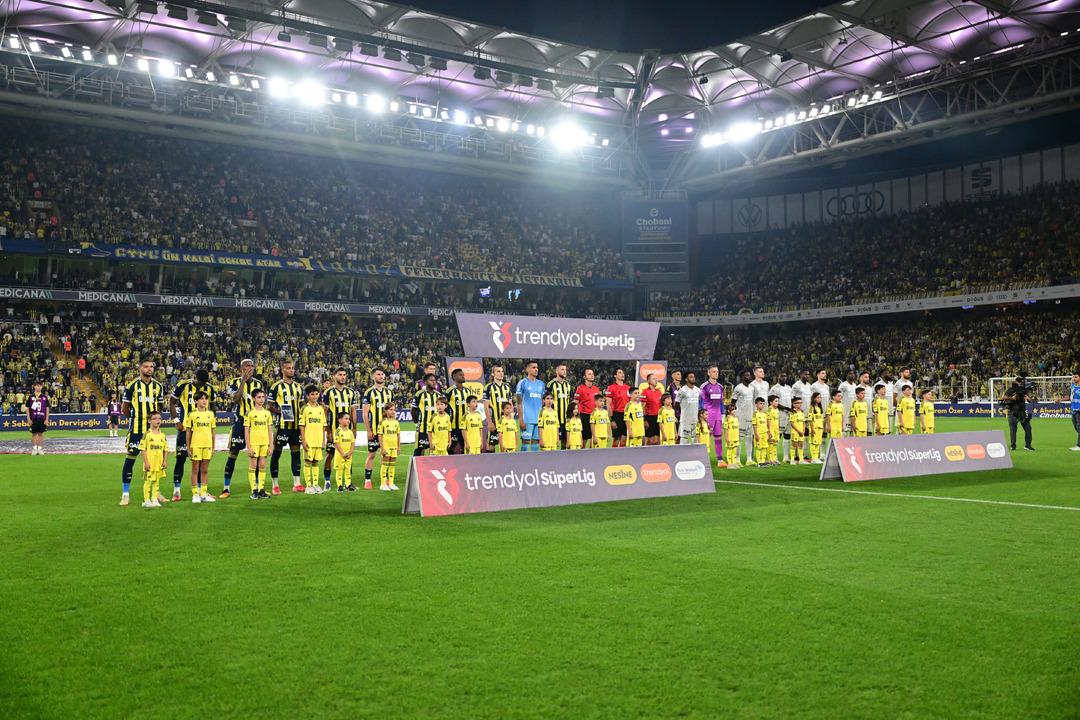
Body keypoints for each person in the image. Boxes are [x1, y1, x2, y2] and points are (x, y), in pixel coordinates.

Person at [120, 358, 165, 507]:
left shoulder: (158, 386)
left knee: (154, 461)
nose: (149, 369)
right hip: (136, 430)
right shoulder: (132, 386)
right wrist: (135, 419)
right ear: (140, 368)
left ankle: (155, 493)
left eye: (151, 366)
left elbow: (159, 407)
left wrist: (154, 422)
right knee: (131, 458)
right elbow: (125, 409)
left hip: (152, 432)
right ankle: (125, 494)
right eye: (146, 366)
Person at [222, 359, 266, 498]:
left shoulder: (258, 384)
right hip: (240, 422)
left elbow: (262, 403)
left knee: (257, 456)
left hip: (256, 424)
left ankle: (258, 488)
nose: (250, 368)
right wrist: (243, 381)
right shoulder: (233, 382)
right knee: (233, 454)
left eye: (252, 365)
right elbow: (235, 399)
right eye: (247, 366)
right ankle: (226, 488)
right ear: (241, 369)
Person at [171, 368, 215, 501]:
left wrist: (212, 420)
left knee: (201, 463)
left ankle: (201, 492)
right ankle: (176, 490)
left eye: (203, 383)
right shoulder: (183, 385)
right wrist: (176, 421)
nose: (201, 385)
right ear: (194, 377)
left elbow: (212, 406)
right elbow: (172, 402)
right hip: (185, 429)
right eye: (199, 382)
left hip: (202, 431)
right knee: (181, 459)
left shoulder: (209, 388)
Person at [269, 360, 304, 494]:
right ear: (283, 370)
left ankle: (297, 483)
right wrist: (282, 412)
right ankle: (275, 485)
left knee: (296, 454)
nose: (291, 370)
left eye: (292, 368)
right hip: (282, 426)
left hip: (296, 427)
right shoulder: (276, 386)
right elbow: (270, 405)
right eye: (288, 368)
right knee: (277, 453)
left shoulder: (298, 387)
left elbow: (302, 405)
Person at [322, 367, 358, 488]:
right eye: (340, 375)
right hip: (333, 429)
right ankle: (327, 480)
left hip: (347, 431)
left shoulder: (351, 392)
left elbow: (353, 411)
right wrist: (328, 430)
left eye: (344, 375)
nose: (343, 377)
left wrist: (354, 428)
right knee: (330, 454)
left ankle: (348, 482)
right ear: (334, 376)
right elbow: (325, 412)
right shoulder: (328, 392)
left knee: (348, 454)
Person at [361, 368, 393, 489]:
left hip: (387, 431)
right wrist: (368, 430)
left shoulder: (389, 392)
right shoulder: (369, 392)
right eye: (378, 374)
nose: (381, 376)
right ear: (373, 377)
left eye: (382, 374)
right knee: (372, 454)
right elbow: (365, 413)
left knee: (386, 455)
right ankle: (367, 480)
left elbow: (392, 411)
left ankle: (385, 479)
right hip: (374, 430)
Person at [186, 391, 216, 502]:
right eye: (202, 398)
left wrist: (213, 447)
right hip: (196, 445)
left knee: (205, 470)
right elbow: (188, 432)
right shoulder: (192, 415)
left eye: (206, 399)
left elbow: (213, 432)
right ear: (196, 401)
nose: (204, 401)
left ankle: (203, 494)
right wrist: (188, 448)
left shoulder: (211, 414)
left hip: (207, 445)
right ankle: (195, 494)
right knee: (195, 470)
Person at [244, 388, 274, 499]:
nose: (261, 399)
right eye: (259, 397)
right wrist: (249, 446)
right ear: (253, 398)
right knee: (253, 466)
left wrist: (271, 445)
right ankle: (254, 490)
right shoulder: (250, 413)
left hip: (264, 443)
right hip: (254, 443)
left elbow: (269, 430)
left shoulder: (267, 413)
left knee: (262, 465)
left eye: (263, 397)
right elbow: (246, 431)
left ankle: (261, 489)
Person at [299, 384, 328, 494]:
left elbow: (323, 426)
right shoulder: (305, 409)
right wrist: (303, 440)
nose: (315, 396)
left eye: (316, 394)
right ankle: (308, 485)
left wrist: (323, 440)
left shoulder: (321, 409)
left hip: (318, 440)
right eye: (312, 394)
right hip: (309, 440)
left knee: (316, 462)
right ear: (307, 396)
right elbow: (302, 426)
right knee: (308, 461)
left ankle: (315, 484)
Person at [139, 411, 168, 508]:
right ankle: (146, 500)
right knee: (148, 481)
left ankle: (154, 499)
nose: (158, 420)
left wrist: (164, 461)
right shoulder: (147, 434)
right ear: (149, 421)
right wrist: (146, 462)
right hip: (150, 463)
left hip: (158, 463)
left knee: (156, 481)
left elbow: (165, 449)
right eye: (154, 418)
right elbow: (142, 449)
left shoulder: (163, 435)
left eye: (159, 418)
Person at [515, 362, 546, 452]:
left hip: (538, 420)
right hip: (527, 419)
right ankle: (523, 461)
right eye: (533, 367)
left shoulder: (541, 384)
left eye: (537, 367)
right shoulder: (522, 383)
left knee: (535, 444)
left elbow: (542, 401)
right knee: (525, 444)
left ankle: (534, 461)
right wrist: (521, 419)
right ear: (527, 369)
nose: (536, 369)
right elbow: (519, 402)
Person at [484, 365, 513, 451]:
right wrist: (490, 422)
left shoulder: (507, 387)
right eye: (498, 371)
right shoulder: (488, 387)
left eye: (502, 371)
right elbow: (486, 406)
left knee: (505, 445)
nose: (501, 373)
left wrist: (511, 419)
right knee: (491, 446)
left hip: (506, 422)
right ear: (493, 374)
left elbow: (510, 404)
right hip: (495, 422)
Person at [699, 366, 725, 463]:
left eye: (717, 372)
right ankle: (703, 459)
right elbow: (701, 402)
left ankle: (720, 460)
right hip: (708, 416)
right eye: (713, 372)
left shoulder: (720, 387)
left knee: (718, 437)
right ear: (708, 373)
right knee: (705, 437)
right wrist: (702, 416)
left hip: (718, 416)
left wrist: (723, 414)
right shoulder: (704, 386)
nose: (716, 373)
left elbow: (721, 402)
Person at [412, 373, 442, 457]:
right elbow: (413, 410)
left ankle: (432, 465)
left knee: (434, 449)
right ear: (425, 382)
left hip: (435, 428)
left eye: (435, 380)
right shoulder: (419, 394)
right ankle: (415, 465)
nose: (434, 382)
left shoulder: (438, 395)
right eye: (431, 380)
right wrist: (416, 422)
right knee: (419, 450)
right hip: (423, 427)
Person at [1002, 375, 1035, 451]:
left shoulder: (1023, 390)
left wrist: (1028, 398)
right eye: (1019, 381)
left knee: (1028, 428)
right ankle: (1013, 446)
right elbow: (1003, 397)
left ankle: (1027, 445)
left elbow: (1030, 401)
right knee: (1013, 429)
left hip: (1022, 412)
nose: (1020, 383)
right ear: (1016, 381)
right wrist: (1011, 398)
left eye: (1021, 381)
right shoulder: (1011, 389)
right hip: (1012, 412)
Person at [731, 370, 755, 466]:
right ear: (742, 377)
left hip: (750, 416)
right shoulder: (738, 388)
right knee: (739, 439)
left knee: (749, 438)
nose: (749, 377)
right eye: (746, 375)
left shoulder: (752, 388)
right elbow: (733, 402)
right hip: (740, 417)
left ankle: (749, 459)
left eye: (749, 375)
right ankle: (737, 459)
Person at [445, 368, 470, 455]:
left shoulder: (467, 391)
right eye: (460, 375)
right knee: (450, 447)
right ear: (454, 377)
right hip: (453, 425)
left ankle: (464, 462)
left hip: (465, 426)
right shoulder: (449, 391)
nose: (463, 376)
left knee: (466, 446)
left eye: (463, 375)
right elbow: (444, 406)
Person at [769, 372, 793, 460]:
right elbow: (771, 401)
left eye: (785, 376)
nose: (784, 378)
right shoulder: (774, 389)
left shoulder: (789, 388)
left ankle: (786, 457)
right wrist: (786, 408)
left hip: (789, 415)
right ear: (778, 377)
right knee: (777, 436)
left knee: (787, 435)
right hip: (779, 415)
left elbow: (791, 400)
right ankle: (773, 457)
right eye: (782, 376)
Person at [548, 363, 573, 447]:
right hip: (555, 419)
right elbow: (546, 401)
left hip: (566, 419)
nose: (564, 371)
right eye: (562, 369)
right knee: (554, 442)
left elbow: (570, 401)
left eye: (565, 370)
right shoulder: (551, 384)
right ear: (557, 371)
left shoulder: (568, 385)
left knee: (566, 443)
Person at [573, 368, 600, 448]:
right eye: (589, 374)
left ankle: (592, 454)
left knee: (594, 439)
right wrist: (575, 416)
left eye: (592, 374)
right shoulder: (580, 388)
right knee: (584, 439)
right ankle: (582, 453)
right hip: (585, 416)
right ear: (584, 377)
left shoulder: (596, 389)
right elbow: (575, 402)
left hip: (595, 416)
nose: (592, 375)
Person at [605, 368, 630, 448]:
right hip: (617, 415)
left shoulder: (628, 388)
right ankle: (613, 454)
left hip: (627, 415)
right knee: (616, 439)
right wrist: (611, 420)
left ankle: (622, 455)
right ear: (615, 375)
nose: (622, 374)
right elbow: (608, 404)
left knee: (624, 439)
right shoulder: (611, 388)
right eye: (620, 372)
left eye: (623, 373)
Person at [332, 412, 356, 493]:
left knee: (348, 470)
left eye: (349, 419)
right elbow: (336, 443)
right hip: (340, 455)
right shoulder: (337, 431)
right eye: (346, 419)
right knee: (339, 470)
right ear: (340, 420)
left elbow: (353, 443)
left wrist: (350, 452)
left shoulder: (350, 432)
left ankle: (348, 485)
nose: (348, 421)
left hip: (349, 455)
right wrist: (342, 453)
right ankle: (339, 485)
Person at [676, 370, 701, 446]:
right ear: (686, 379)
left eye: (693, 377)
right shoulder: (682, 390)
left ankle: (694, 453)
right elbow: (676, 404)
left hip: (695, 419)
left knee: (695, 438)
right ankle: (683, 453)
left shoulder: (698, 390)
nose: (693, 378)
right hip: (685, 420)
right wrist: (681, 414)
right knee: (684, 439)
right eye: (691, 377)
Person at [379, 406, 400, 491]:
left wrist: (398, 447)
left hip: (394, 447)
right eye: (391, 409)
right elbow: (380, 436)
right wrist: (382, 448)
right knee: (385, 465)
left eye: (394, 410)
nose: (393, 411)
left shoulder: (396, 422)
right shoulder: (383, 422)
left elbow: (398, 435)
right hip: (386, 447)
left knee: (392, 465)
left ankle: (391, 483)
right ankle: (383, 484)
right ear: (386, 411)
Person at [26, 380, 48, 456]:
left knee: (41, 434)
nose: (38, 387)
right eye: (37, 386)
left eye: (40, 386)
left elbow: (47, 408)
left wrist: (47, 419)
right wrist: (28, 419)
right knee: (34, 434)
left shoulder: (44, 397)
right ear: (34, 387)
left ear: (42, 387)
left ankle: (40, 449)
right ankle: (34, 449)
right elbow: (27, 408)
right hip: (33, 418)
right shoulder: (31, 397)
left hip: (42, 418)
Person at [808, 392, 825, 464]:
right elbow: (810, 419)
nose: (819, 399)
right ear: (814, 399)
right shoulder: (811, 407)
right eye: (818, 397)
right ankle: (813, 458)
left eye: (820, 397)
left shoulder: (819, 408)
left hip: (820, 428)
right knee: (813, 443)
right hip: (814, 428)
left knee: (818, 443)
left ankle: (816, 457)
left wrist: (822, 428)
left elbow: (821, 419)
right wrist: (812, 429)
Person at [788, 397, 806, 464]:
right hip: (795, 432)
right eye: (798, 403)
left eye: (801, 403)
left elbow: (803, 422)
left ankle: (801, 460)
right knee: (794, 446)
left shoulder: (802, 412)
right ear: (794, 404)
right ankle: (792, 460)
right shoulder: (792, 412)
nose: (800, 404)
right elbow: (792, 423)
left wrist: (803, 430)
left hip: (801, 432)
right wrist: (799, 431)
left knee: (801, 445)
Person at [722, 402, 739, 468]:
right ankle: (730, 464)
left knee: (734, 451)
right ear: (729, 411)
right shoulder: (727, 419)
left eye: (735, 409)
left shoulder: (736, 418)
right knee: (730, 450)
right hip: (730, 438)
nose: (734, 410)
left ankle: (734, 463)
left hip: (736, 437)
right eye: (732, 409)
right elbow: (725, 429)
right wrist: (726, 438)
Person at [752, 397, 768, 466]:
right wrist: (756, 434)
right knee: (759, 448)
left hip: (765, 433)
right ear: (756, 404)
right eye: (760, 403)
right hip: (759, 434)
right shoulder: (755, 414)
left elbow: (766, 424)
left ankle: (763, 461)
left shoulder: (765, 414)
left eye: (763, 404)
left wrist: (768, 432)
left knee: (764, 447)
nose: (762, 405)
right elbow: (754, 425)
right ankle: (759, 462)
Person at [766, 395, 781, 464]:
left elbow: (777, 420)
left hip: (776, 429)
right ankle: (770, 459)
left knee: (775, 444)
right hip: (771, 429)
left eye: (778, 401)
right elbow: (768, 420)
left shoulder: (777, 410)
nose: (777, 402)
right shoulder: (769, 410)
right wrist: (769, 431)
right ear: (771, 402)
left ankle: (774, 459)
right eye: (776, 401)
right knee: (770, 444)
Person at [1071, 373, 1080, 451]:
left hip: (1079, 410)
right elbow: (1071, 397)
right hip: (1073, 409)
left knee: (1079, 427)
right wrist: (1060, 399)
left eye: (1076, 377)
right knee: (1076, 426)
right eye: (1073, 377)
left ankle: (1079, 446)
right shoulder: (1073, 386)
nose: (1074, 378)